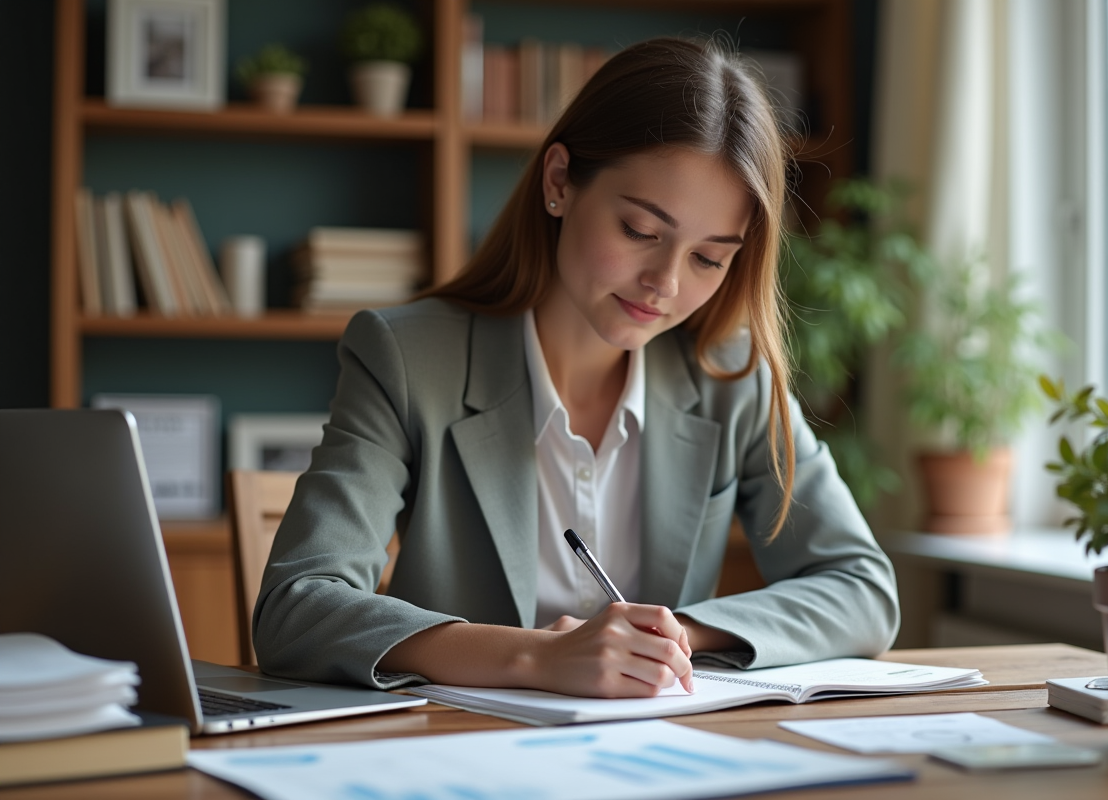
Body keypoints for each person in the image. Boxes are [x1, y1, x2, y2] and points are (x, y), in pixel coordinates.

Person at [253, 37, 899, 699]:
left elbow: (863, 590)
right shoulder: (408, 357)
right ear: (559, 182)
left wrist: (671, 635)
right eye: (641, 231)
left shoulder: (733, 377)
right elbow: (296, 607)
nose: (665, 283)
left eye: (709, 258)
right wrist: (534, 658)